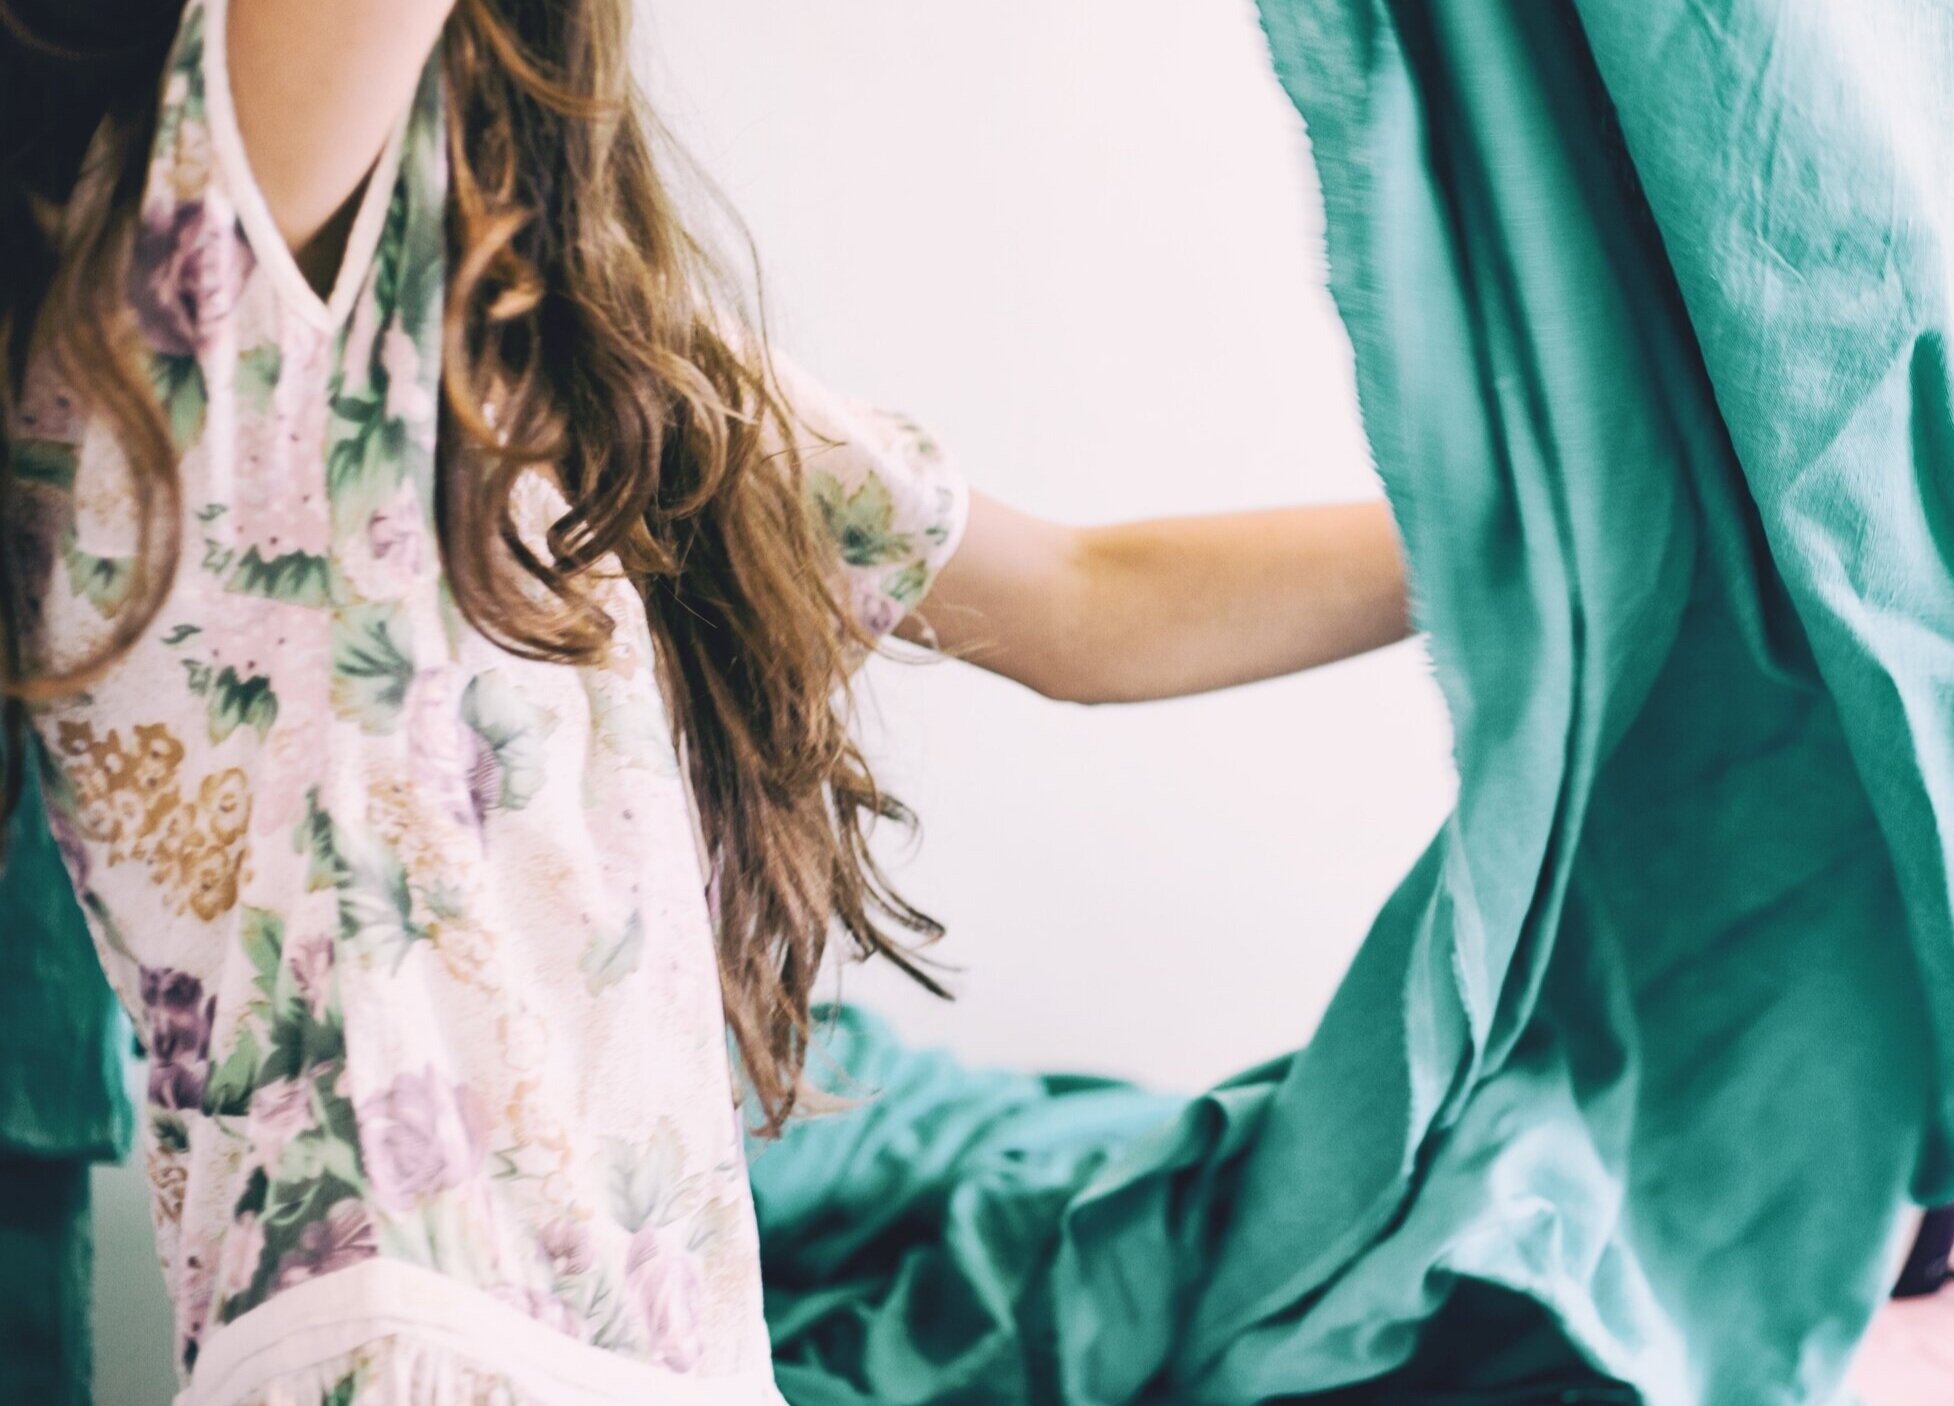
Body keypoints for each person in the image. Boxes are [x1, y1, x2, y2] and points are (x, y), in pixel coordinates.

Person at [0, 0, 1410, 1400]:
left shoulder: (577, 385)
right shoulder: (184, 339)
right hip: (411, 1341)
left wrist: (1568, 528)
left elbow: (1090, 606)